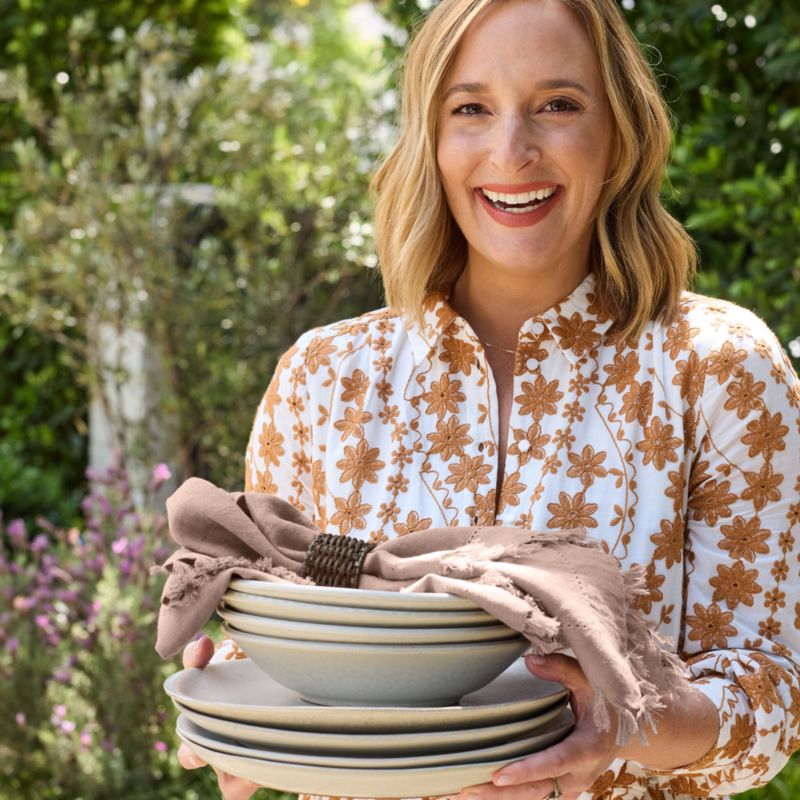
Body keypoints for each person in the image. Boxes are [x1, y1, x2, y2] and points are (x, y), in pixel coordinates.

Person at [178, 0, 800, 798]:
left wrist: (629, 726)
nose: (512, 150)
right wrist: (240, 700)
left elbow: (771, 691)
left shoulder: (720, 371)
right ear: (430, 140)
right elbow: (284, 635)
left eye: (558, 105)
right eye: (471, 108)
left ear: (621, 134)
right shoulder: (321, 379)